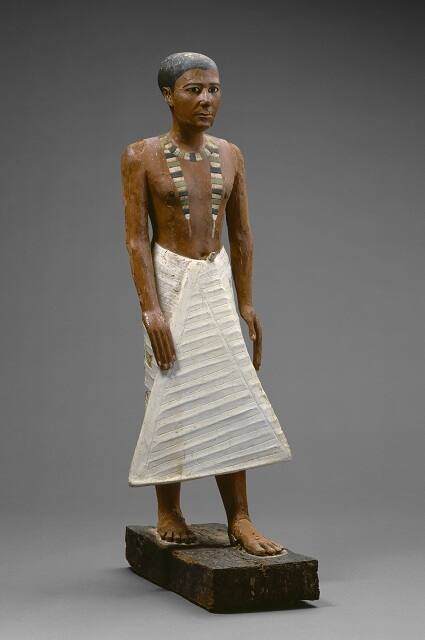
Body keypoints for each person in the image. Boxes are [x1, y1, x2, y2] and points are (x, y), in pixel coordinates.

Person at [121, 52, 291, 556]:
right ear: (168, 95)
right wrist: (151, 308)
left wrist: (247, 301)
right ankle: (168, 509)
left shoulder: (231, 154)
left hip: (215, 276)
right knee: (168, 384)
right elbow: (136, 238)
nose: (206, 100)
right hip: (170, 278)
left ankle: (240, 516)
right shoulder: (140, 155)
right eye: (193, 90)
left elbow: (241, 234)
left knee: (229, 390)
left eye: (214, 89)